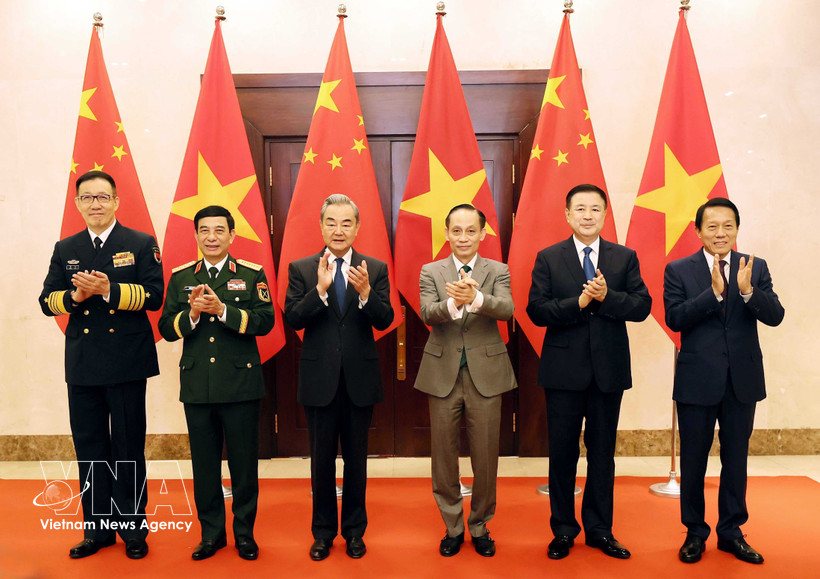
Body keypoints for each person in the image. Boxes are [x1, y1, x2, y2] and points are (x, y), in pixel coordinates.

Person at [39, 170, 163, 560]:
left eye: (103, 197)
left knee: (127, 447)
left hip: (127, 361)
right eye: (87, 198)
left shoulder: (140, 243)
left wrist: (110, 290)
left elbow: (155, 296)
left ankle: (132, 529)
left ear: (116, 202)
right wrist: (74, 295)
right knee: (90, 448)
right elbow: (46, 301)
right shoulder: (66, 247)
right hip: (83, 364)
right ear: (77, 204)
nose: (95, 204)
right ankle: (97, 530)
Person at [526, 184, 651, 560]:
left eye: (595, 209)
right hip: (563, 371)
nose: (587, 215)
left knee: (602, 454)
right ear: (567, 215)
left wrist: (606, 298)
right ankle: (563, 530)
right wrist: (578, 302)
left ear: (605, 214)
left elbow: (642, 306)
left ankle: (599, 530)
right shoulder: (549, 257)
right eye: (579, 208)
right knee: (562, 454)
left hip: (608, 372)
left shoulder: (623, 257)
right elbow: (536, 310)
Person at [664, 197, 784, 565]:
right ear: (698, 230)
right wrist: (713, 293)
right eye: (712, 226)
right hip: (697, 381)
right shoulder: (679, 269)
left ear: (737, 229)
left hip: (741, 382)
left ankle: (731, 532)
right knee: (694, 461)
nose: (720, 233)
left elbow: (776, 316)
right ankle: (695, 534)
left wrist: (748, 291)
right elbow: (675, 319)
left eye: (728, 225)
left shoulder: (755, 266)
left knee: (736, 460)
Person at [158, 205, 275, 561]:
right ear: (195, 236)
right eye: (204, 231)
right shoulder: (181, 278)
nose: (211, 237)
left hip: (240, 384)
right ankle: (211, 535)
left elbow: (266, 321)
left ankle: (244, 535)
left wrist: (222, 311)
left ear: (231, 235)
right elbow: (165, 328)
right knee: (205, 466)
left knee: (243, 465)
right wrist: (192, 314)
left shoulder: (251, 275)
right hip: (198, 386)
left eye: (219, 231)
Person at [284, 194, 394, 561]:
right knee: (321, 461)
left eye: (346, 223)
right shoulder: (302, 268)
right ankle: (322, 534)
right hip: (320, 381)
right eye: (331, 222)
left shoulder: (374, 268)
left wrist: (366, 295)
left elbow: (385, 319)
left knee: (357, 461)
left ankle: (355, 533)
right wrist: (319, 291)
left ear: (358, 228)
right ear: (321, 226)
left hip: (360, 380)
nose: (338, 230)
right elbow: (294, 319)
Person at [414, 204, 516, 558]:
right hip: (442, 374)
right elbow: (427, 312)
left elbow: (506, 309)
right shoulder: (431, 270)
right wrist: (454, 304)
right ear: (446, 234)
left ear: (482, 234)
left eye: (470, 230)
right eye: (456, 231)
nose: (463, 237)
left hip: (486, 375)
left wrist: (477, 298)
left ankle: (480, 525)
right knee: (443, 457)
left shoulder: (497, 270)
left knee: (486, 457)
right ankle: (453, 526)